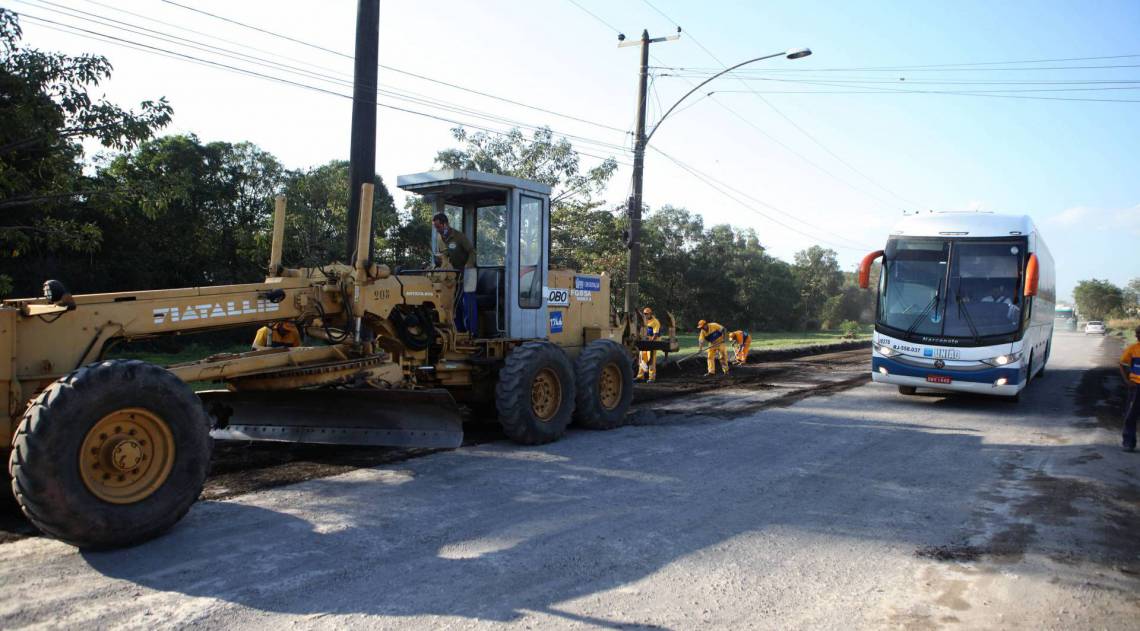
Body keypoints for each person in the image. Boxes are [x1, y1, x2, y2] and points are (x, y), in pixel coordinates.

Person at [432, 212, 478, 334]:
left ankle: (472, 332)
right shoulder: (440, 239)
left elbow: (472, 252)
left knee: (468, 302)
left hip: (469, 273)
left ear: (445, 224)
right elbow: (444, 255)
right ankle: (459, 331)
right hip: (454, 274)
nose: (437, 230)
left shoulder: (459, 236)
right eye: (435, 227)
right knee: (453, 303)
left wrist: (468, 265)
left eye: (438, 227)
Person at [1120, 325, 1140, 452]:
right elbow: (1122, 364)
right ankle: (1128, 442)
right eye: (1137, 333)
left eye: (1139, 333)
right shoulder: (1132, 349)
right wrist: (1127, 381)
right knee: (1131, 415)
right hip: (1136, 388)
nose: (1137, 335)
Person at [637, 307, 661, 383]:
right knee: (642, 359)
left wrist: (651, 342)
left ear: (650, 314)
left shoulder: (655, 321)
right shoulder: (644, 321)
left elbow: (656, 334)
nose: (645, 315)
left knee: (651, 360)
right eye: (644, 314)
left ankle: (651, 378)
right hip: (645, 341)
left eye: (646, 314)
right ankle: (640, 376)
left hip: (653, 342)